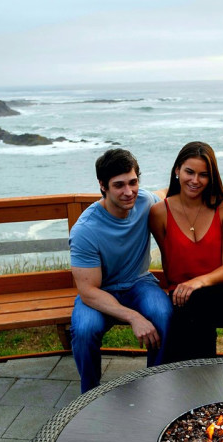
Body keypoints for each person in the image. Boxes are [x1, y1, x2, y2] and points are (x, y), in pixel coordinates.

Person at [69, 148, 173, 393]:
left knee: (163, 314)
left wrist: (217, 195)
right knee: (84, 330)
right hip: (100, 291)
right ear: (103, 186)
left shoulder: (145, 200)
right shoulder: (86, 229)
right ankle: (90, 395)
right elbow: (88, 292)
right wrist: (134, 317)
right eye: (119, 185)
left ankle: (156, 385)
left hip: (139, 282)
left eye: (133, 182)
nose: (129, 192)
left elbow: (167, 192)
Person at [149, 141, 223, 362]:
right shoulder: (159, 213)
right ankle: (199, 380)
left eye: (203, 175)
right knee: (181, 312)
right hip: (181, 294)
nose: (195, 180)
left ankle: (171, 378)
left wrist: (198, 282)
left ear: (211, 176)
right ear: (177, 170)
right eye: (189, 172)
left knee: (192, 308)